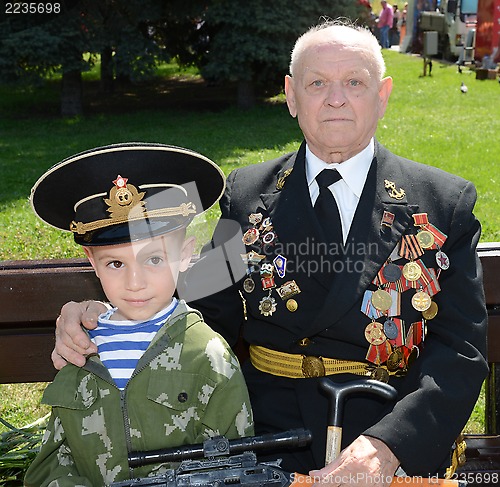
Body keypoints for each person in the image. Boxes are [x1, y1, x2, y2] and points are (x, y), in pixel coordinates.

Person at [52, 21, 488, 486]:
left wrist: (390, 446)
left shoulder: (443, 202)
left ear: (382, 96)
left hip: (385, 428)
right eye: (317, 83)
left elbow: (460, 348)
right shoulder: (247, 194)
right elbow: (199, 304)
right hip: (267, 438)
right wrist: (101, 314)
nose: (335, 98)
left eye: (354, 83)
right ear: (291, 96)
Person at [24, 143, 254, 486]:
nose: (135, 282)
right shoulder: (81, 347)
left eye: (154, 259)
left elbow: (234, 466)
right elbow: (51, 465)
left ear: (185, 255)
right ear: (91, 261)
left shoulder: (207, 353)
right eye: (116, 263)